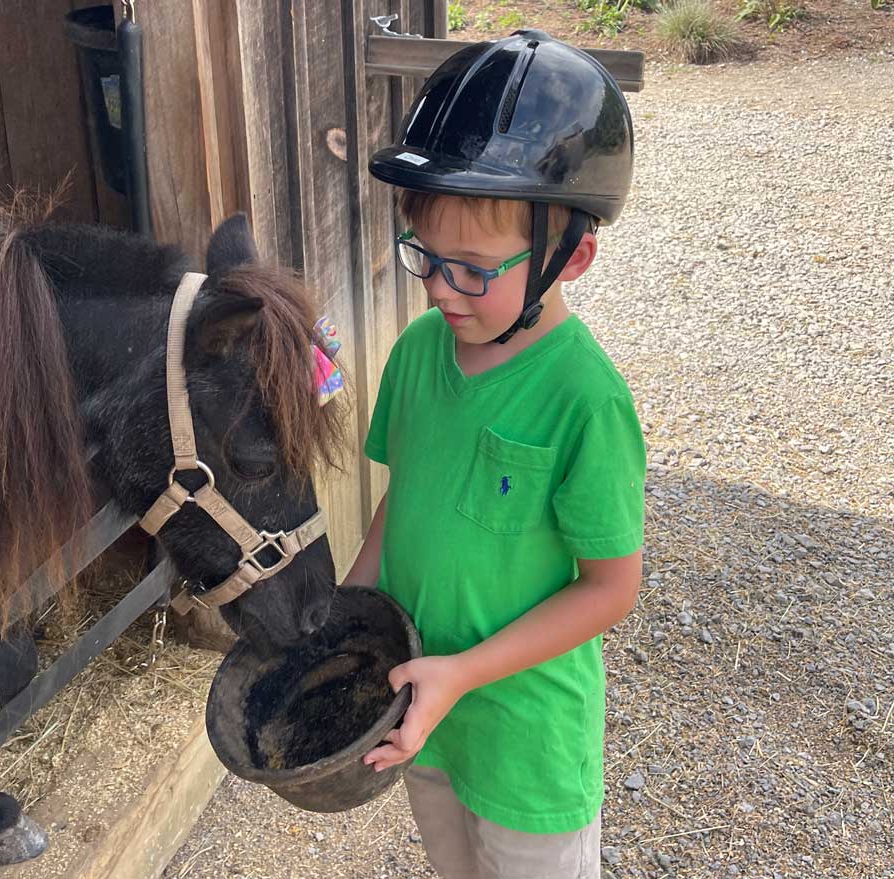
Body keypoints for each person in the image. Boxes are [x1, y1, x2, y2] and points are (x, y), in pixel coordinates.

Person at [341, 31, 645, 879]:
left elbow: (610, 586)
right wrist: (351, 606)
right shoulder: (415, 354)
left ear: (570, 257)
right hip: (426, 719)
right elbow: (406, 497)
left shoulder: (584, 399)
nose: (438, 288)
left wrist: (465, 672)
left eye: (470, 270)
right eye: (425, 259)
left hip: (526, 743)